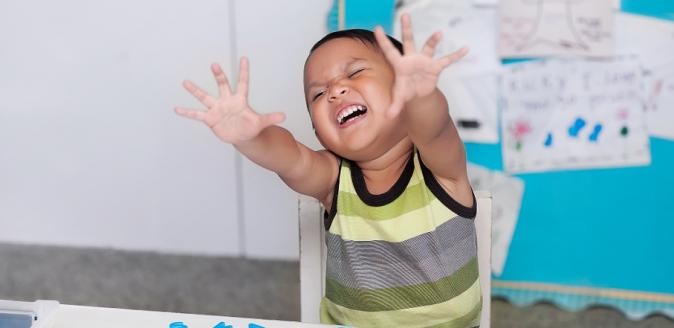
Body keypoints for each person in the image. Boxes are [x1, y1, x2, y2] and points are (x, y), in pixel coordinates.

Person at [175, 14, 481, 328]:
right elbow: (292, 158)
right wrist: (252, 138)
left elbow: (435, 129)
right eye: (318, 95)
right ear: (319, 133)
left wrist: (422, 96)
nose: (335, 91)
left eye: (356, 71)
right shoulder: (335, 178)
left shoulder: (440, 168)